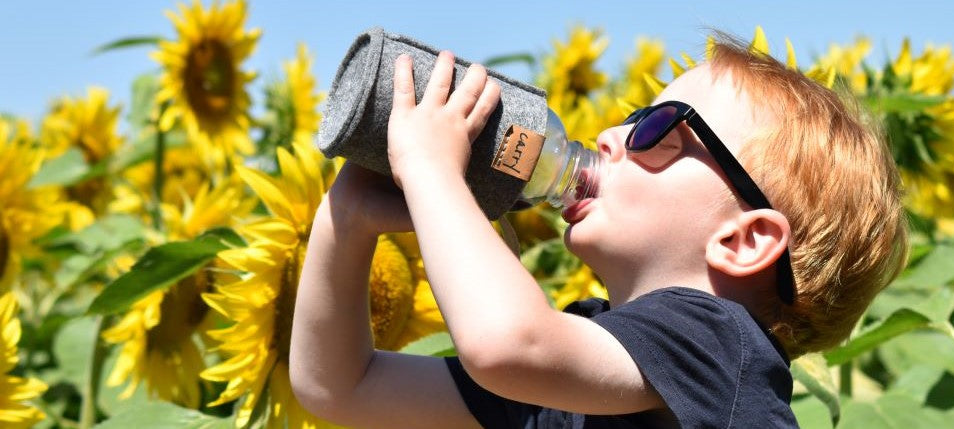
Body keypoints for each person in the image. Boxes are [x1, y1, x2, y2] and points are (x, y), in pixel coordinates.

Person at [289, 31, 908, 428]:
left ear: (744, 241)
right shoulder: (580, 379)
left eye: (658, 129)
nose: (612, 134)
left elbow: (509, 344)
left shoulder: (719, 346)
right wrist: (348, 217)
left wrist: (432, 172)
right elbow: (340, 387)